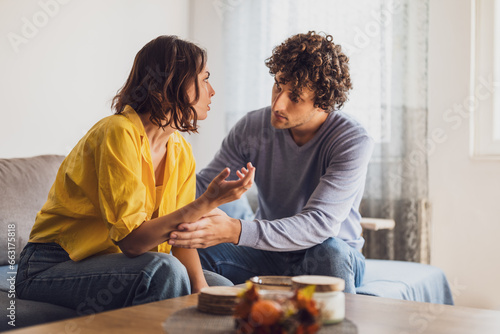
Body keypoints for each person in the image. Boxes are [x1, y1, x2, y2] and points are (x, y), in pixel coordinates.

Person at [15, 35, 255, 313]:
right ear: (171, 82)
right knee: (163, 271)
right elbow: (132, 242)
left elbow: (180, 236)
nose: (212, 90)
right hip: (52, 265)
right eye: (204, 78)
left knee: (221, 285)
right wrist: (207, 202)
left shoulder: (180, 150)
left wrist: (204, 293)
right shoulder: (117, 132)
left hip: (119, 263)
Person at [167, 31, 374, 294]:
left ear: (323, 103)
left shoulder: (352, 139)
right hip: (268, 252)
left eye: (295, 97)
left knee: (330, 250)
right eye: (278, 85)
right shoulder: (252, 126)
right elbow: (203, 186)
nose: (278, 103)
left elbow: (319, 223)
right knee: (185, 241)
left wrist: (236, 230)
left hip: (328, 253)